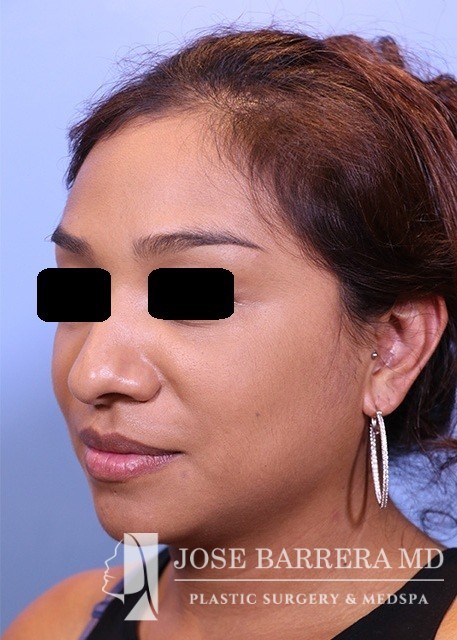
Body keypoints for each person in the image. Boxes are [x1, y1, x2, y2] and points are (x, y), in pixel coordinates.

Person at [4, 26, 457, 640]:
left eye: (191, 296)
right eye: (77, 293)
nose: (93, 374)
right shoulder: (63, 623)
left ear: (392, 348)